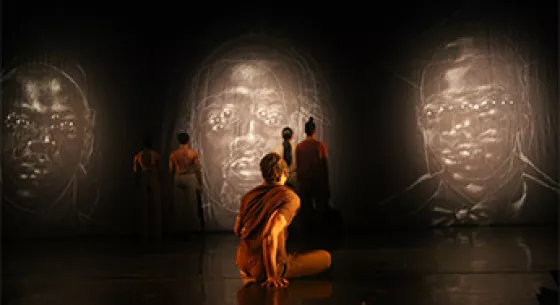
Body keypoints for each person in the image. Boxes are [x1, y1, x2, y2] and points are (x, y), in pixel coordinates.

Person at [234, 152, 331, 288]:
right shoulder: (289, 197)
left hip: (242, 263)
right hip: (263, 268)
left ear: (263, 174)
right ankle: (273, 268)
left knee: (292, 255)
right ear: (285, 173)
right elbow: (269, 234)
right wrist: (272, 275)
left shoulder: (249, 196)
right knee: (325, 258)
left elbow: (237, 230)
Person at [295, 117, 331, 236]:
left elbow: (298, 166)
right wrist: (326, 183)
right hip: (318, 180)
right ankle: (320, 232)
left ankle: (307, 232)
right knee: (320, 207)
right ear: (314, 130)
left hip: (305, 180)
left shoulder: (300, 146)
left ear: (305, 131)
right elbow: (324, 165)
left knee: (306, 207)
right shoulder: (320, 146)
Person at [169, 132, 204, 237]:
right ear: (188, 140)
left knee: (179, 205)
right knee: (191, 205)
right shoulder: (193, 153)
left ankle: (180, 229)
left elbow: (171, 169)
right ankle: (192, 229)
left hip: (178, 177)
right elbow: (197, 169)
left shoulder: (174, 154)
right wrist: (200, 182)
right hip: (189, 177)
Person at [133, 137, 162, 239]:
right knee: (155, 204)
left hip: (144, 176)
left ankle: (145, 232)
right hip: (153, 175)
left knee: (144, 205)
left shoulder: (138, 156)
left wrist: (137, 181)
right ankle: (156, 231)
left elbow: (136, 171)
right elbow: (159, 168)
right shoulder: (155, 155)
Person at [274, 127, 298, 191]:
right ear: (291, 136)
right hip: (294, 179)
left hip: (281, 179)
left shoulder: (277, 149)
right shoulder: (297, 149)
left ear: (282, 136)